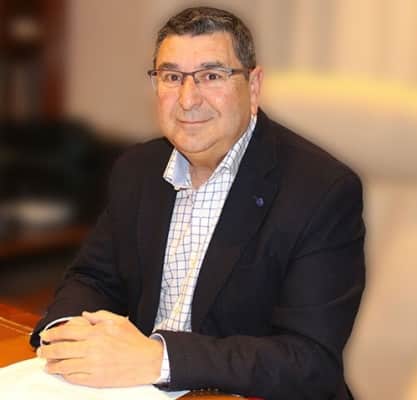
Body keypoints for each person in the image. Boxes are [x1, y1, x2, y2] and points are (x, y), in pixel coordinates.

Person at [32, 6, 365, 400]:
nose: (188, 99)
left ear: (253, 87)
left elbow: (309, 361)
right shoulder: (137, 168)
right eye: (172, 77)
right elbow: (92, 277)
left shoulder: (322, 191)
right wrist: (66, 333)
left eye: (211, 76)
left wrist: (160, 359)